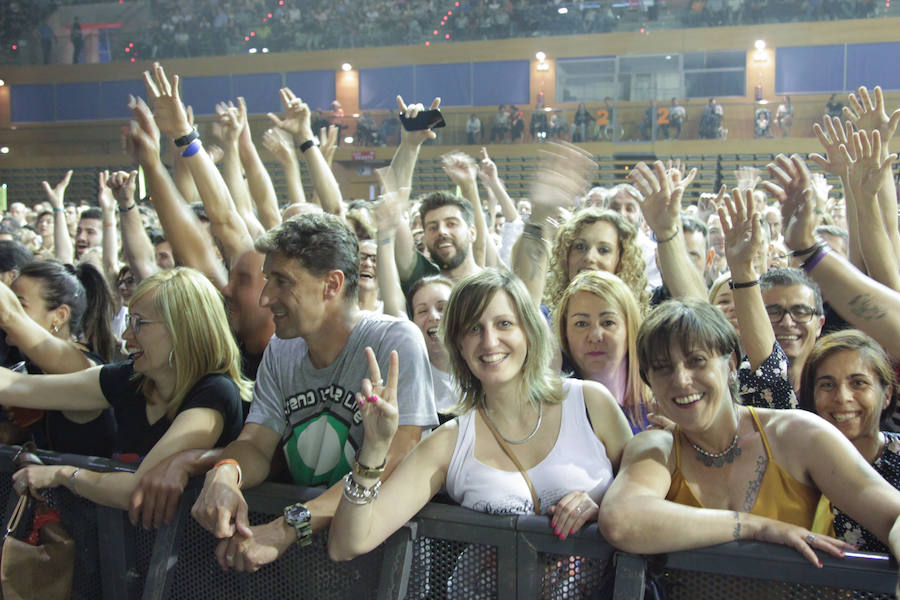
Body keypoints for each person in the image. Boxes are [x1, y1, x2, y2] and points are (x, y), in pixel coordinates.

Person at [328, 268, 632, 561]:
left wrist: (604, 506)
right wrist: (375, 448)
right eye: (474, 328)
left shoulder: (590, 403)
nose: (489, 341)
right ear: (459, 344)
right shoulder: (449, 442)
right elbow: (347, 544)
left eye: (504, 324)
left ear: (528, 330)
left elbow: (646, 496)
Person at [190, 214, 436, 573]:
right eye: (266, 280)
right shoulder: (280, 350)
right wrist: (226, 471)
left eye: (282, 281)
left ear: (332, 284)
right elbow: (256, 444)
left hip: (382, 566)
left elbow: (397, 457)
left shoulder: (393, 341)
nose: (265, 298)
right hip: (306, 566)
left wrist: (287, 527)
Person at [598, 298, 900, 573]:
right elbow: (621, 521)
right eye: (663, 368)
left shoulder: (798, 434)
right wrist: (758, 528)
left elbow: (893, 515)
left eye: (696, 361)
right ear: (649, 379)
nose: (681, 379)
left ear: (730, 364)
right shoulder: (656, 447)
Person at [5, 268, 250, 517]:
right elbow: (19, 387)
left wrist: (62, 474)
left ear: (182, 329)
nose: (125, 336)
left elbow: (135, 489)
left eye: (139, 323)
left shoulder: (214, 392)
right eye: (128, 321)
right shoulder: (130, 378)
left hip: (191, 554)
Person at [0, 260, 116, 455]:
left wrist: (10, 315)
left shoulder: (82, 365)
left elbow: (9, 316)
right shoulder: (30, 363)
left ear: (60, 316)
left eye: (20, 305)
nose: (15, 312)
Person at [800, 329, 900, 554]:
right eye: (827, 385)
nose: (842, 397)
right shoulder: (792, 461)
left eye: (858, 383)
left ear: (886, 395)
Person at [553, 270, 651, 432]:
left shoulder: (660, 406)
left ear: (629, 328)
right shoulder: (552, 410)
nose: (595, 336)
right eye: (581, 324)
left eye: (608, 322)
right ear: (565, 333)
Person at [544, 208, 648, 312]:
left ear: (621, 260)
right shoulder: (546, 318)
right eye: (580, 247)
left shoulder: (636, 322)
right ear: (566, 255)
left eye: (603, 250)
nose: (589, 257)